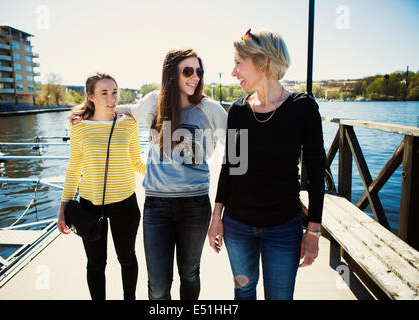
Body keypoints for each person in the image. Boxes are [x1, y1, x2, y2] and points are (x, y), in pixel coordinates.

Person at [69, 49, 227, 300]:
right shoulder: (154, 102)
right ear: (171, 73)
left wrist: (221, 215)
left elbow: (238, 159)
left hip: (194, 205)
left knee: (189, 274)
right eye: (188, 70)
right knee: (157, 286)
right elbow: (122, 109)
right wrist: (86, 113)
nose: (195, 77)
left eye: (199, 71)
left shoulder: (211, 109)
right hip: (157, 206)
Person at [208, 29, 325, 300]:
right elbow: (230, 167)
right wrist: (216, 218)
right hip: (237, 225)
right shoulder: (238, 111)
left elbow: (316, 174)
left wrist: (313, 231)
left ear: (263, 62)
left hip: (283, 226)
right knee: (244, 290)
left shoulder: (303, 108)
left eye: (239, 62)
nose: (233, 71)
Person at [57, 73, 146, 300]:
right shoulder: (80, 128)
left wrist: (163, 175)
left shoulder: (128, 124)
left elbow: (136, 162)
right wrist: (63, 209)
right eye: (104, 92)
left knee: (127, 258)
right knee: (96, 264)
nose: (112, 98)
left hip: (125, 204)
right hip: (90, 206)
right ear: (91, 97)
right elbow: (74, 169)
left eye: (114, 92)